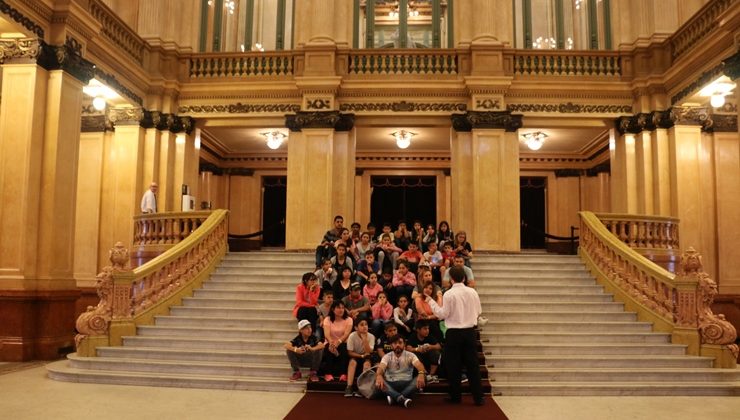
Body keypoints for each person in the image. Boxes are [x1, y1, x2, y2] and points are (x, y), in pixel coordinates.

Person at [425, 266, 485, 406]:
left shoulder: (449, 294)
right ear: (464, 278)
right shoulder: (472, 292)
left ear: (451, 279)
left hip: (454, 333)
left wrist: (430, 301)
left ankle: (456, 396)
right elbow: (478, 312)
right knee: (473, 366)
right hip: (470, 332)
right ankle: (479, 398)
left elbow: (442, 314)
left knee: (454, 366)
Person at [375, 334, 427, 408]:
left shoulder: (410, 355)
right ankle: (401, 398)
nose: (398, 345)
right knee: (377, 377)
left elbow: (419, 365)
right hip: (391, 384)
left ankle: (394, 397)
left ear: (404, 344)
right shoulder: (387, 356)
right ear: (391, 345)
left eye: (400, 343)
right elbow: (381, 368)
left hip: (407, 384)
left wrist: (421, 373)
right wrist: (379, 375)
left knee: (423, 376)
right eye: (395, 343)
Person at [320, 301, 353, 382]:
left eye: (342, 308)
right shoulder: (327, 319)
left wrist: (338, 342)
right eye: (338, 308)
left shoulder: (349, 319)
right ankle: (328, 373)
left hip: (343, 342)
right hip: (330, 341)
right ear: (333, 309)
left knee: (343, 347)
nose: (341, 310)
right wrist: (332, 343)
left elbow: (347, 334)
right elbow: (326, 334)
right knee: (328, 347)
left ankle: (343, 374)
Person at [344, 318, 376, 397]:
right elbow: (350, 352)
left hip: (367, 355)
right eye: (362, 325)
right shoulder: (352, 336)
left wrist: (364, 339)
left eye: (366, 324)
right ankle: (349, 387)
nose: (365, 327)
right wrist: (361, 356)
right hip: (356, 355)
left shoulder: (371, 336)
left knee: (367, 364)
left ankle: (362, 388)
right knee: (352, 362)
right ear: (356, 327)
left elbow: (369, 352)